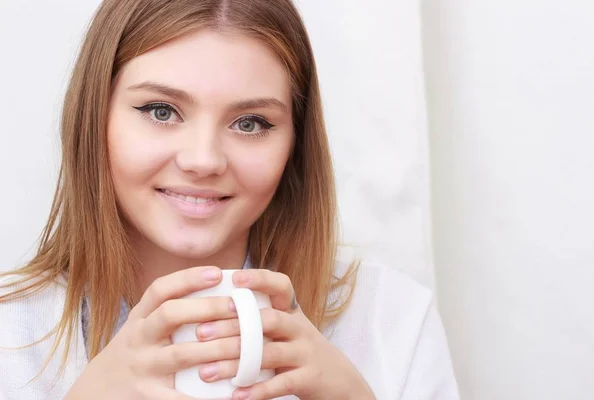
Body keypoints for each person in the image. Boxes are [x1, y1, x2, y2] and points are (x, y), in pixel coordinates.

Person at [0, 0, 459, 399]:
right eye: (161, 111)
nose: (204, 160)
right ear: (93, 117)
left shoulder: (392, 324)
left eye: (250, 123)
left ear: (295, 145)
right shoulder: (11, 337)